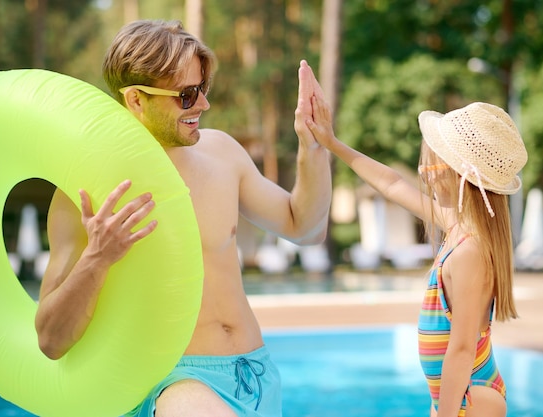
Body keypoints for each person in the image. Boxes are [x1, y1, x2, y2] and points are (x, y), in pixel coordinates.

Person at [34, 19, 332, 417]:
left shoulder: (221, 153)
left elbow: (304, 227)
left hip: (256, 375)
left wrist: (312, 147)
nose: (204, 105)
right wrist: (97, 257)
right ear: (137, 99)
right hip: (173, 387)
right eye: (187, 95)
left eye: (203, 89)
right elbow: (51, 341)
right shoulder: (88, 191)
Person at [305, 96, 527, 417]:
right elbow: (392, 183)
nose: (423, 172)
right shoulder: (454, 227)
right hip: (456, 394)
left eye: (431, 163)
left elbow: (462, 348)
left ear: (457, 174)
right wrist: (332, 143)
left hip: (470, 393)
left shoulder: (469, 251)